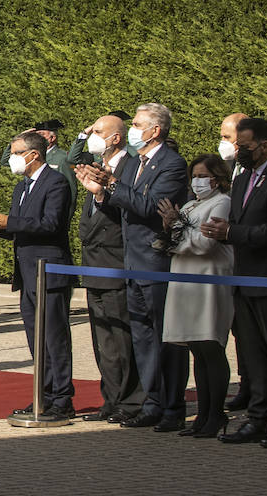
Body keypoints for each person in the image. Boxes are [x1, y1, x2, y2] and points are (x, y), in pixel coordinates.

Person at [76, 103, 190, 431]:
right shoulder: (136, 164)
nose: (134, 130)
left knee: (165, 337)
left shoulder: (172, 164)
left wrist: (111, 185)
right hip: (131, 262)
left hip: (154, 262)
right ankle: (152, 401)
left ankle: (172, 405)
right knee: (141, 336)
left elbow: (150, 206)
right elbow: (123, 202)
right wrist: (100, 193)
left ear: (155, 131)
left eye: (139, 125)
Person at [203, 118, 267, 447]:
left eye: (245, 147)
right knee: (254, 357)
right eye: (238, 146)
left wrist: (231, 232)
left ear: (264, 146)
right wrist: (223, 228)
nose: (239, 152)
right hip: (244, 281)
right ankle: (257, 420)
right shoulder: (243, 179)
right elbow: (239, 223)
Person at [0, 131, 76, 419]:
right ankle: (42, 395)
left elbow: (51, 225)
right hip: (27, 272)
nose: (12, 158)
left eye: (17, 152)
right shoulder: (22, 187)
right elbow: (20, 230)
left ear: (33, 155)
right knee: (36, 339)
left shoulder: (56, 182)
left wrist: (10, 221)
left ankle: (62, 398)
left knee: (54, 338)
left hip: (49, 271)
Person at [73, 115, 144, 423]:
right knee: (103, 341)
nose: (93, 136)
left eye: (98, 132)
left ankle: (131, 401)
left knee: (121, 338)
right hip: (94, 264)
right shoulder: (96, 164)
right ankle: (111, 399)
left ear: (116, 138)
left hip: (116, 262)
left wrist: (101, 193)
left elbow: (130, 209)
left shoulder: (130, 167)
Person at [158, 155, 234, 439]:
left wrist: (176, 228)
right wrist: (171, 225)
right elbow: (171, 242)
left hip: (208, 282)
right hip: (184, 282)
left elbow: (204, 244)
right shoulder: (190, 205)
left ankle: (216, 414)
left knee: (210, 346)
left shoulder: (221, 202)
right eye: (195, 175)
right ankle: (202, 415)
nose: (198, 181)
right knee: (196, 349)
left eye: (204, 175)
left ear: (216, 177)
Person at [216, 112, 251, 412]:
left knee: (254, 330)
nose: (222, 143)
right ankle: (246, 383)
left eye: (227, 138)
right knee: (239, 329)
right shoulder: (229, 169)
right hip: (231, 262)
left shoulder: (254, 169)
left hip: (252, 260)